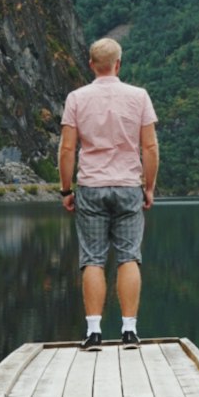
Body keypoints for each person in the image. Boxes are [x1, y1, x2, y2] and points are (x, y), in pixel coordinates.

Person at [58, 37, 159, 350]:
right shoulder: (139, 97)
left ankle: (93, 333)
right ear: (119, 63)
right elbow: (150, 147)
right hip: (129, 186)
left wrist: (66, 189)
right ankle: (129, 331)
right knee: (129, 257)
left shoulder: (76, 98)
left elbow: (67, 148)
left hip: (90, 187)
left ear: (91, 64)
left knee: (93, 260)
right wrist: (149, 187)